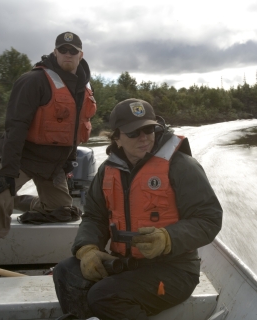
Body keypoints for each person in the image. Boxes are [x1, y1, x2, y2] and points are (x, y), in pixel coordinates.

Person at [53, 98, 223, 319]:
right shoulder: (107, 172)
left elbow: (209, 219)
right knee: (66, 272)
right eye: (134, 133)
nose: (144, 138)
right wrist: (88, 249)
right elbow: (94, 217)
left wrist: (167, 238)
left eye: (149, 129)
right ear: (117, 138)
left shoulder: (182, 166)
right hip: (126, 263)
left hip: (174, 270)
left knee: (105, 295)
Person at [0, 31, 96, 270]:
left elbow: (73, 130)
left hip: (52, 165)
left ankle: (15, 200)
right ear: (55, 52)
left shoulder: (82, 87)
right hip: (22, 159)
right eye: (63, 50)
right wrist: (7, 173)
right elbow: (15, 129)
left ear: (81, 55)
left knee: (64, 212)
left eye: (73, 51)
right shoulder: (33, 80)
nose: (68, 54)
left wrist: (69, 160)